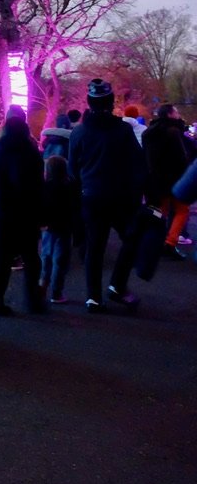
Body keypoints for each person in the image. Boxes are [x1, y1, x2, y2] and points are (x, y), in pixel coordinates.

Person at [68, 79, 147, 313]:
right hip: (122, 199)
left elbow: (73, 169)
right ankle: (117, 285)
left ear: (90, 103)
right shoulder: (123, 130)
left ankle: (93, 297)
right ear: (112, 102)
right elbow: (138, 164)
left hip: (91, 197)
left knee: (95, 247)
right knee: (132, 239)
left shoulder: (79, 132)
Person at [0, 105, 45, 315]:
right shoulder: (29, 147)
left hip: (2, 209)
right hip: (26, 211)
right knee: (31, 257)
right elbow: (36, 182)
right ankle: (33, 301)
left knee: (2, 259)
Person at [142, 103, 194, 257]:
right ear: (170, 114)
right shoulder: (174, 132)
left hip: (156, 180)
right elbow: (181, 157)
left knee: (160, 212)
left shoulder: (149, 132)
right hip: (175, 178)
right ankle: (170, 243)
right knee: (182, 210)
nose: (178, 114)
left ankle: (155, 241)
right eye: (176, 112)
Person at [39, 155, 77, 304]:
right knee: (60, 260)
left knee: (46, 256)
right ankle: (56, 292)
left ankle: (42, 286)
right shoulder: (69, 186)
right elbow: (74, 207)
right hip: (64, 227)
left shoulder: (44, 186)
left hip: (48, 227)